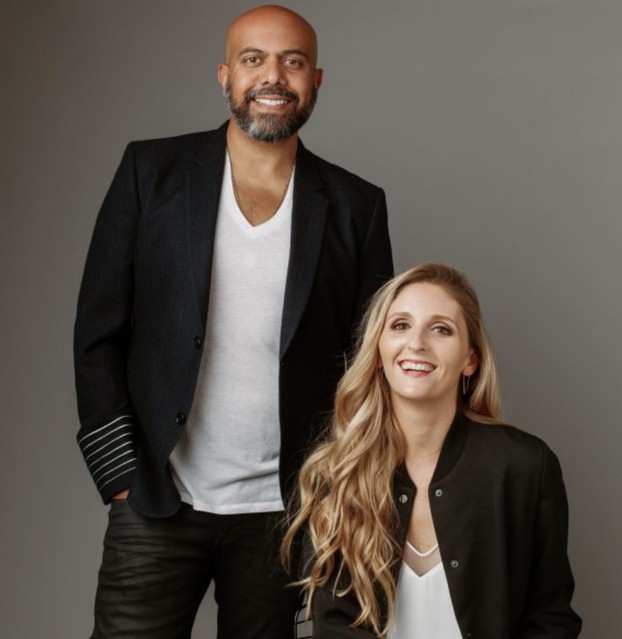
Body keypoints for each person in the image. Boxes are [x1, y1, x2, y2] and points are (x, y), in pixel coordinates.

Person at [73, 5, 393, 638]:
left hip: (284, 513)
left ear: (315, 80)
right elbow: (97, 332)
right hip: (157, 496)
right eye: (253, 60)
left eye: (292, 62)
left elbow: (369, 365)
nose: (273, 76)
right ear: (225, 76)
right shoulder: (150, 173)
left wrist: (337, 491)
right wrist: (120, 477)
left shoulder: (356, 206)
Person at [283, 263, 581, 639]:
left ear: (470, 359)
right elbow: (333, 626)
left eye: (441, 329)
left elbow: (551, 618)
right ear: (378, 350)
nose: (417, 343)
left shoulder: (524, 467)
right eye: (400, 325)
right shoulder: (338, 471)